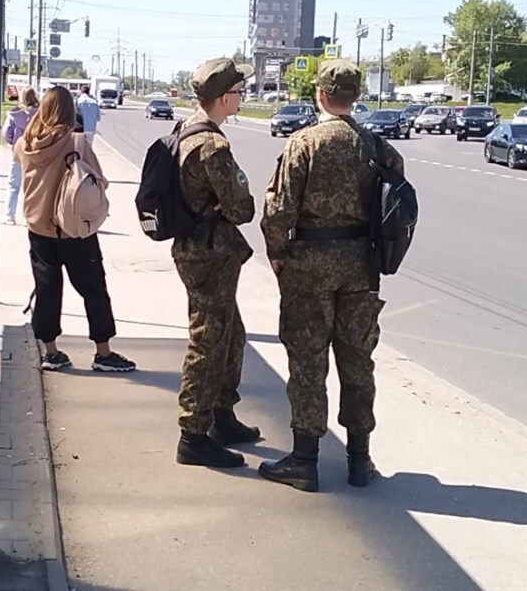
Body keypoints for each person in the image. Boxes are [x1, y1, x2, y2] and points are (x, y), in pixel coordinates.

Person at [258, 58, 403, 492]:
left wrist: (277, 253)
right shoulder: (376, 146)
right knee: (358, 361)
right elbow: (396, 202)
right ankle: (360, 459)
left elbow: (278, 209)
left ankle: (304, 460)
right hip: (360, 266)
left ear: (319, 94)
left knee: (308, 361)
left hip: (309, 266)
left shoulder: (304, 143)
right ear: (356, 96)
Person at [172, 59, 260, 469]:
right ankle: (193, 434)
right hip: (209, 254)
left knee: (231, 335)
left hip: (199, 249)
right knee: (209, 341)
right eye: (240, 92)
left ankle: (221, 414)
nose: (242, 97)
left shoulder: (186, 129)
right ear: (224, 97)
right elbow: (243, 208)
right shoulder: (212, 146)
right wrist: (230, 204)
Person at [15, 85, 135, 373]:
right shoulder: (76, 142)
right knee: (93, 289)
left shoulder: (24, 144)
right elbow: (99, 180)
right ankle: (103, 353)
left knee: (46, 288)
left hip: (39, 227)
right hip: (74, 229)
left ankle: (51, 352)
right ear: (70, 111)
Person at [3, 87, 39, 225]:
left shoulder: (14, 114)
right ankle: (30, 216)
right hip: (35, 152)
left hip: (18, 152)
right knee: (33, 185)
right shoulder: (40, 114)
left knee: (13, 184)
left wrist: (13, 142)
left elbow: (6, 133)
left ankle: (9, 215)